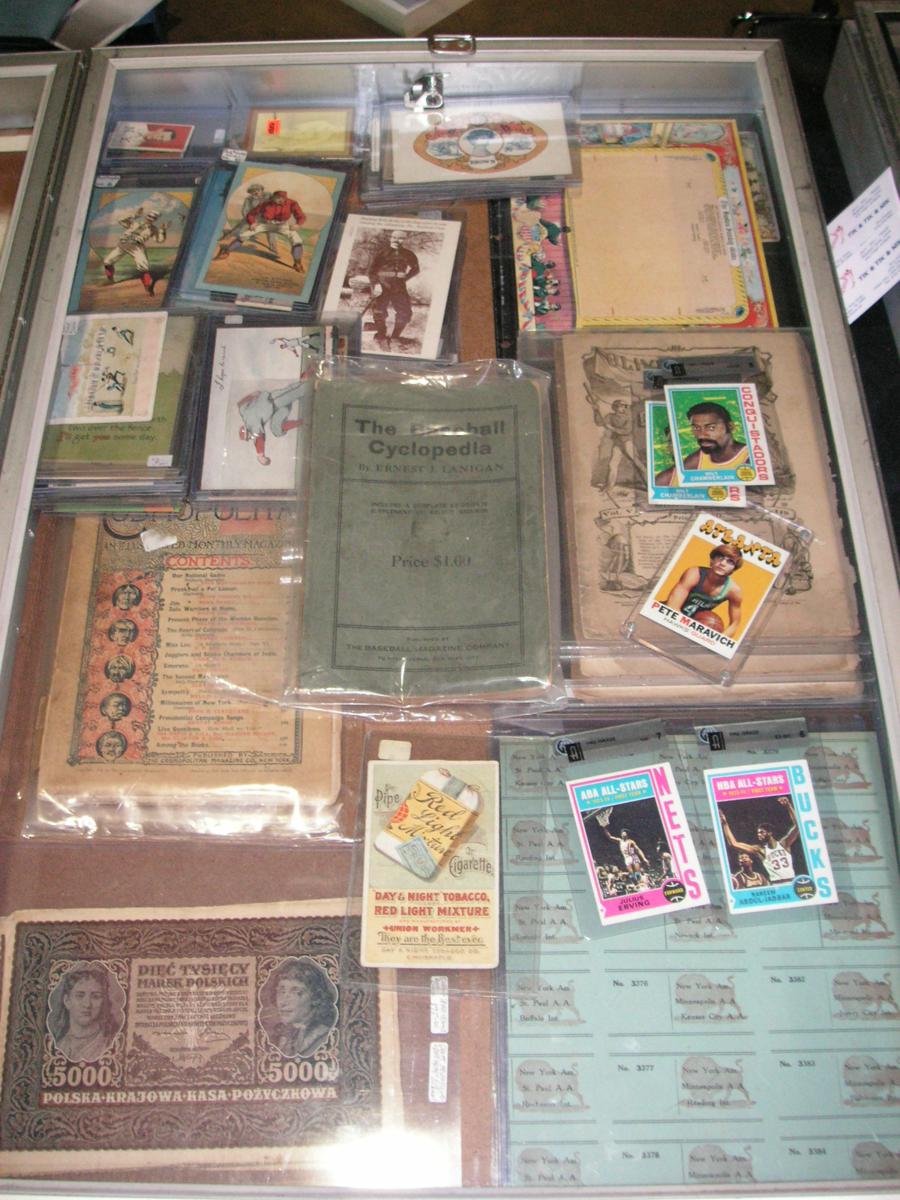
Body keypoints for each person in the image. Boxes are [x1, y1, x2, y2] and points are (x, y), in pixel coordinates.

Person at [215, 189, 305, 272]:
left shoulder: (292, 203)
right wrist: (252, 223)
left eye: (283, 198)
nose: (280, 200)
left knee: (297, 240)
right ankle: (226, 251)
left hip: (282, 225)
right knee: (244, 235)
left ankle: (297, 263)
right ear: (273, 197)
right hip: (264, 223)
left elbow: (301, 216)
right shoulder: (265, 204)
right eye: (278, 198)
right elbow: (251, 214)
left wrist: (298, 224)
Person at [263, 958, 338, 1058]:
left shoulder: (324, 1036)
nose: (283, 1002)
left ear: (315, 998)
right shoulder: (278, 1036)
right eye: (281, 991)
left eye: (296, 992)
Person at [665, 544, 743, 636]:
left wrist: (715, 640)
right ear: (712, 560)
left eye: (730, 561)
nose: (722, 563)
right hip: (668, 615)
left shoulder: (733, 591)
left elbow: (734, 624)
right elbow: (672, 606)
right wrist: (686, 629)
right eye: (720, 558)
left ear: (733, 569)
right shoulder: (694, 573)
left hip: (694, 625)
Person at [719, 795, 799, 883]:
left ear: (770, 833)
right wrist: (725, 824)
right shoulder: (760, 850)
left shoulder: (784, 844)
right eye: (758, 833)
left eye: (761, 832)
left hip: (792, 881)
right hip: (777, 883)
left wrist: (789, 806)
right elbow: (734, 844)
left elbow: (798, 826)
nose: (759, 835)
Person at [49, 965, 120, 1063]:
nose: (87, 1004)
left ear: (103, 1002)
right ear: (67, 1001)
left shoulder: (110, 1043)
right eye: (80, 996)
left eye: (95, 997)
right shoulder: (59, 1045)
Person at [366, 229, 420, 351]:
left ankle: (395, 337)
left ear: (404, 240)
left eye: (400, 238)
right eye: (394, 237)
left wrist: (405, 278)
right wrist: (376, 285)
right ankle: (381, 335)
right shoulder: (382, 253)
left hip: (399, 287)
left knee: (405, 312)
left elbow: (416, 269)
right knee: (379, 311)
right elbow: (372, 271)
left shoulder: (408, 254)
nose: (397, 240)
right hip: (382, 285)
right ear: (391, 238)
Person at [103, 206, 167, 296]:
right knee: (107, 261)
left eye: (153, 218)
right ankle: (110, 280)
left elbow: (159, 240)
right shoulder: (135, 223)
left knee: (143, 267)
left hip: (136, 247)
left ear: (155, 220)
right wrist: (135, 215)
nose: (150, 218)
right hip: (123, 245)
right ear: (146, 216)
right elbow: (120, 220)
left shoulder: (153, 229)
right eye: (149, 216)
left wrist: (162, 230)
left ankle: (148, 288)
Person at [679, 401, 748, 474]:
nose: (701, 435)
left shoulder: (749, 457)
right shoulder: (694, 461)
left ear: (730, 426)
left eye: (711, 428)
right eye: (696, 428)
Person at [598, 817, 650, 886]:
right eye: (622, 833)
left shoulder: (631, 841)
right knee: (632, 875)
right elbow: (610, 837)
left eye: (624, 833)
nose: (623, 834)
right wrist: (605, 828)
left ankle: (642, 883)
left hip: (633, 856)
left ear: (627, 834)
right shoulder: (620, 841)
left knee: (637, 873)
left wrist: (644, 858)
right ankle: (637, 885)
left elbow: (638, 850)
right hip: (627, 858)